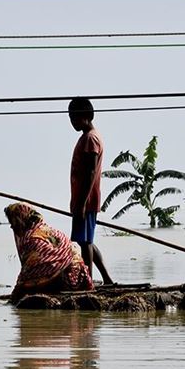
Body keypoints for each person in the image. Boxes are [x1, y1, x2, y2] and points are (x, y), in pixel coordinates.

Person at [4, 202, 93, 301]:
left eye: (13, 222)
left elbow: (27, 274)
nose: (12, 227)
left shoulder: (33, 239)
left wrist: (15, 296)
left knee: (28, 285)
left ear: (21, 219)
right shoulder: (48, 230)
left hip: (64, 282)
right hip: (79, 280)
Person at [68, 97, 114, 285]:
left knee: (85, 242)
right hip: (84, 200)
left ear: (86, 116)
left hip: (86, 200)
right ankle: (106, 279)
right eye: (71, 118)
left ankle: (88, 281)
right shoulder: (89, 137)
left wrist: (82, 203)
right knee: (86, 240)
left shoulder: (90, 139)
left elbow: (91, 172)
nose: (72, 122)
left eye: (75, 118)